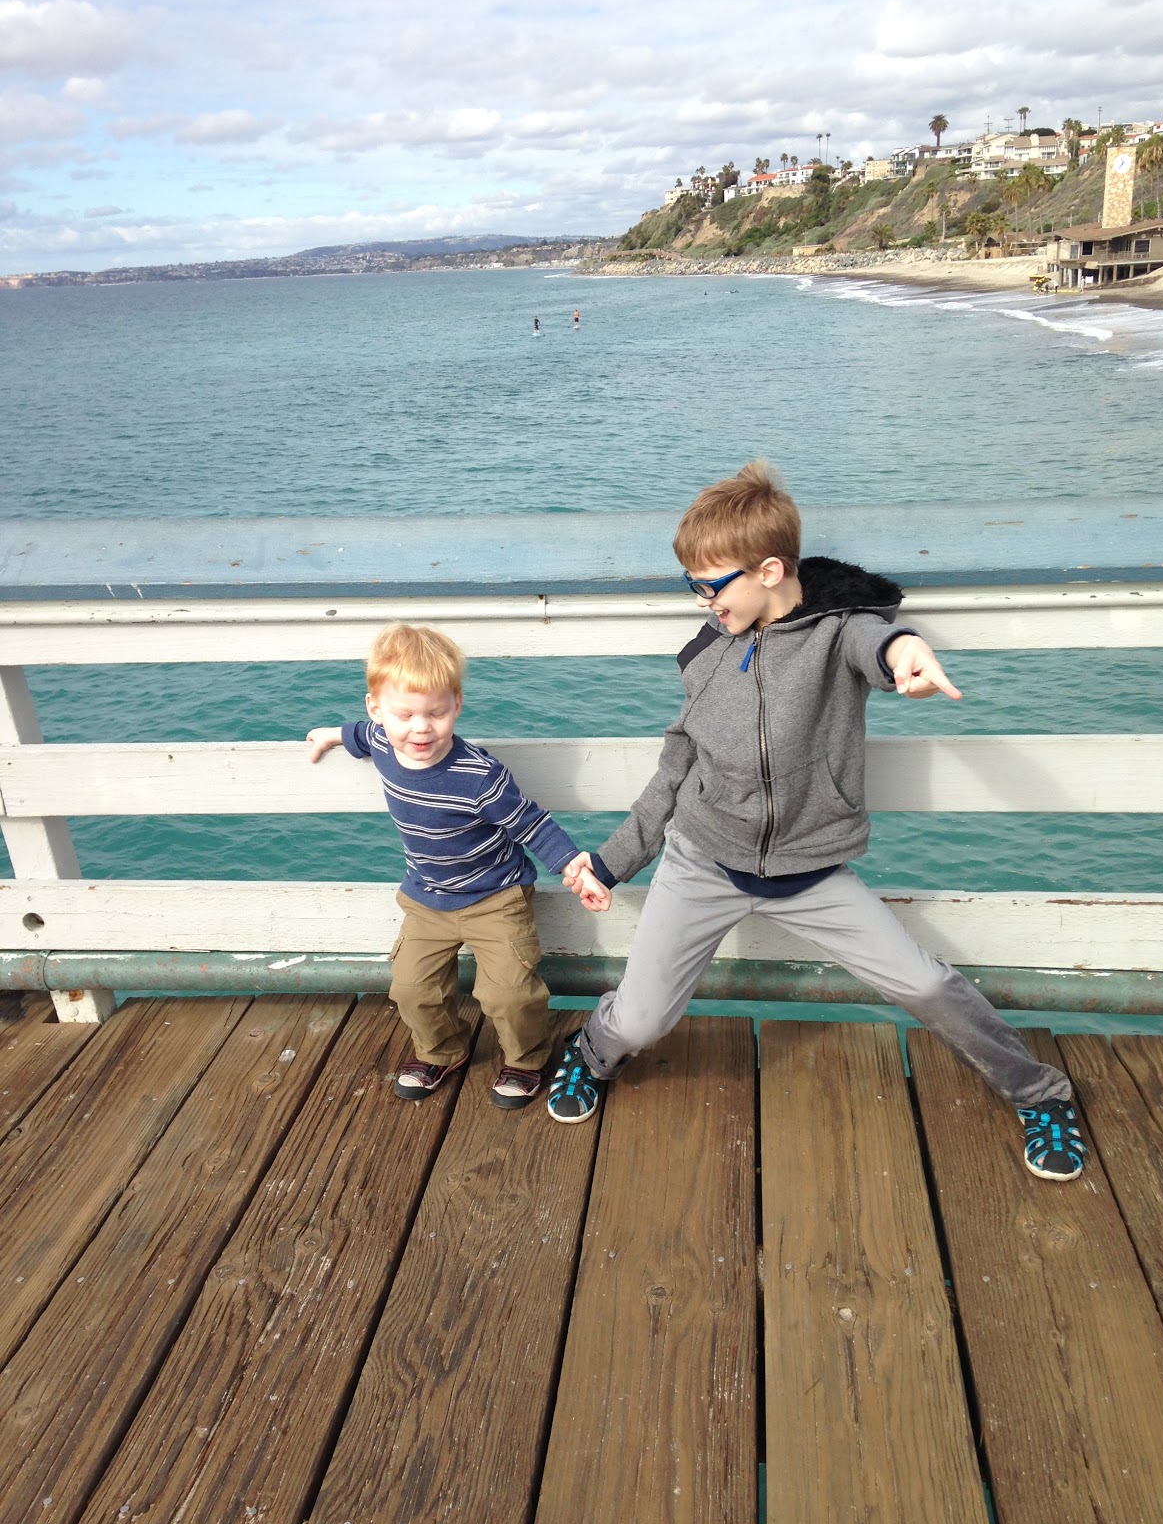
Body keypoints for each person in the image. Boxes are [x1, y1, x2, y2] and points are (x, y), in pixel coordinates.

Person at [554, 462, 1086, 1182]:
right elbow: (676, 767)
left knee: (925, 985)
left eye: (710, 585)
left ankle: (1040, 1094)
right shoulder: (707, 653)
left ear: (770, 570)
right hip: (701, 861)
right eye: (693, 584)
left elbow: (879, 644)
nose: (702, 601)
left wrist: (906, 652)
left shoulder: (840, 631)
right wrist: (612, 861)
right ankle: (590, 1052)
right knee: (642, 1021)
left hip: (811, 872)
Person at [307, 623, 610, 1108]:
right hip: (426, 898)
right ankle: (441, 1051)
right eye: (404, 714)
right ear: (377, 709)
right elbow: (360, 734)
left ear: (457, 705)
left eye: (436, 712)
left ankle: (526, 1059)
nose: (420, 728)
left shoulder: (478, 775)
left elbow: (531, 823)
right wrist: (332, 735)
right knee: (411, 987)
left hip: (495, 898)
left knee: (509, 993)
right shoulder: (382, 741)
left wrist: (575, 867)